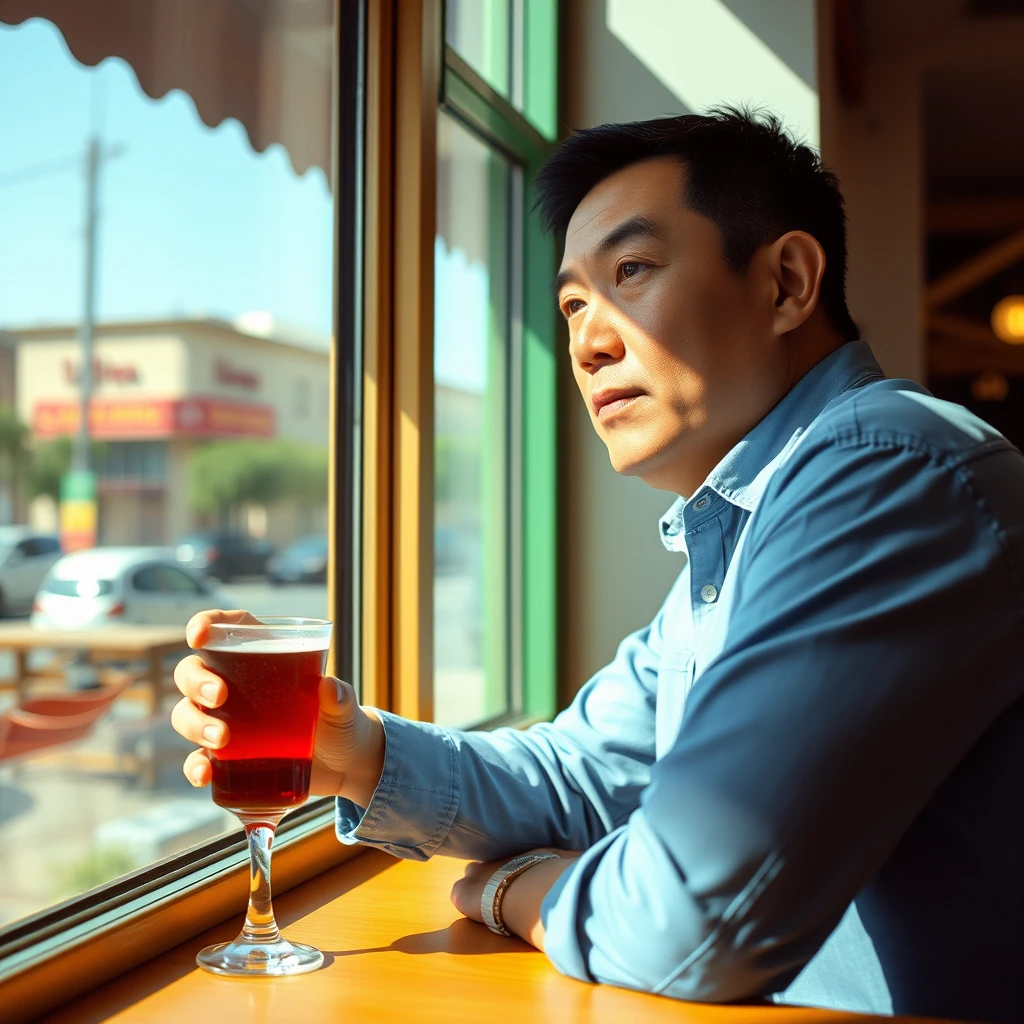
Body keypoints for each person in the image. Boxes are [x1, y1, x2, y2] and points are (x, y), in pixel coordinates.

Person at [172, 108, 1023, 1022]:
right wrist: (355, 756)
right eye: (573, 304)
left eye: (632, 272)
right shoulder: (748, 521)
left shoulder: (885, 473)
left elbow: (690, 928)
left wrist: (519, 891)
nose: (588, 341)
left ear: (786, 282)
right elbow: (581, 772)